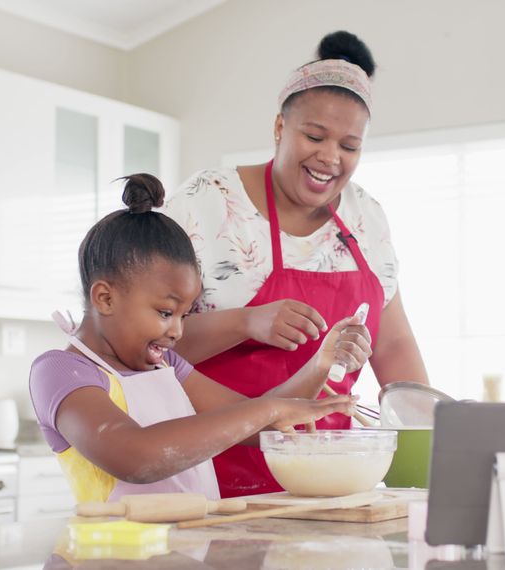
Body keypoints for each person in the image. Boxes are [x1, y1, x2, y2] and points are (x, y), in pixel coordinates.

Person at [161, 31, 430, 497]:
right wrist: (247, 321)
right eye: (314, 136)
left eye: (350, 146)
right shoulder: (210, 202)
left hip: (327, 481)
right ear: (279, 128)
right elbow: (143, 344)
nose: (330, 158)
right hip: (208, 474)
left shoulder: (367, 218)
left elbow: (394, 342)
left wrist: (430, 435)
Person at [28, 174, 371, 503]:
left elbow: (258, 426)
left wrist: (321, 364)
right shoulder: (61, 372)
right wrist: (269, 409)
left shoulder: (166, 367)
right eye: (165, 312)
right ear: (105, 298)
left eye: (184, 315)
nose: (177, 331)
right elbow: (135, 457)